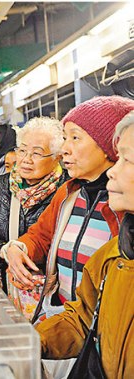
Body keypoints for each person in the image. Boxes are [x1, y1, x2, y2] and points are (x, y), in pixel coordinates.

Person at [2, 96, 134, 323]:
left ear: (107, 147)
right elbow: (41, 236)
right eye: (65, 138)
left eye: (75, 138)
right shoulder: (68, 194)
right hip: (64, 320)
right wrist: (17, 249)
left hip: (106, 327)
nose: (64, 149)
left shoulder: (124, 206)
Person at [36, 110, 134, 378]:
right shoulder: (113, 257)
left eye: (127, 159)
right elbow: (82, 320)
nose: (113, 171)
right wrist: (27, 342)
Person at [0, 117, 66, 294]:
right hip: (5, 286)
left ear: (57, 157)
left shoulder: (68, 191)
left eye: (37, 153)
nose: (26, 159)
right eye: (22, 150)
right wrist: (3, 250)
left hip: (52, 291)